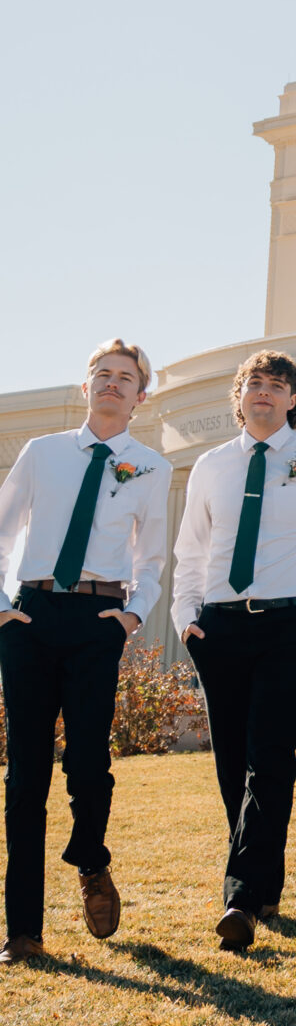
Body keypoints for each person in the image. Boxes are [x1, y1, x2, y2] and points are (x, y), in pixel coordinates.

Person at [173, 350, 296, 952]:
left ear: (292, 400)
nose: (264, 391)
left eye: (277, 385)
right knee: (233, 762)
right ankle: (264, 883)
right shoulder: (211, 465)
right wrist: (185, 618)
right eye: (254, 382)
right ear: (240, 396)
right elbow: (191, 550)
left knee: (270, 754)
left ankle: (241, 899)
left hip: (291, 625)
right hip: (219, 628)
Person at [0, 338, 170, 964]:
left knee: (89, 762)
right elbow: (2, 529)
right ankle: (23, 930)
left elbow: (152, 557)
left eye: (125, 377)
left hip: (98, 619)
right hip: (31, 615)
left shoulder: (150, 467)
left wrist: (130, 615)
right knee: (25, 773)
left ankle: (91, 860)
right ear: (86, 386)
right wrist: (2, 608)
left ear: (140, 396)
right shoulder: (42, 453)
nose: (112, 383)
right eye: (102, 373)